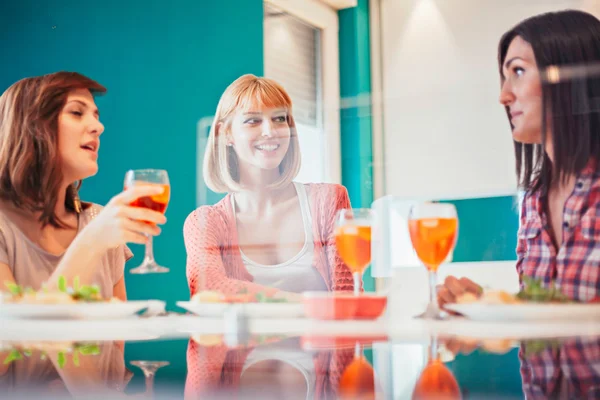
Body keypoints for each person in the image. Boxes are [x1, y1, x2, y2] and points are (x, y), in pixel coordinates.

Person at [438, 10, 600, 307]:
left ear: (567, 76)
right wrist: (483, 305)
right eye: (505, 76)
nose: (504, 95)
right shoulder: (533, 200)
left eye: (519, 71)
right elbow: (543, 309)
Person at [184, 74, 355, 298]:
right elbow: (210, 288)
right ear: (225, 134)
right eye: (253, 121)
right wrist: (304, 306)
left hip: (321, 335)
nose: (271, 131)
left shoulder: (329, 200)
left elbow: (348, 300)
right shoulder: (205, 222)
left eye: (279, 119)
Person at [0, 71, 167, 300]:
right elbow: (19, 336)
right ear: (30, 126)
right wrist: (91, 242)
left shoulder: (100, 220)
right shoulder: (101, 229)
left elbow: (116, 335)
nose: (99, 126)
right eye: (77, 112)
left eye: (96, 115)